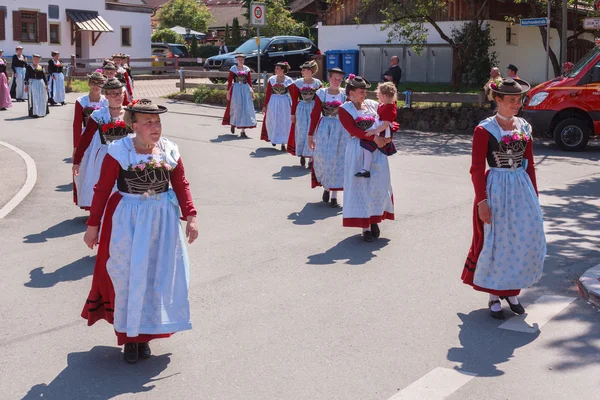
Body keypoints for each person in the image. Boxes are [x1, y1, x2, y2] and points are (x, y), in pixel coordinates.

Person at [81, 99, 198, 363]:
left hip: (162, 222)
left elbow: (181, 183)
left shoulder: (169, 150)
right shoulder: (119, 151)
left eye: (157, 122)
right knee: (128, 277)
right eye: (148, 122)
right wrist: (93, 225)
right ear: (134, 125)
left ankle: (144, 336)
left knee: (156, 276)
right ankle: (129, 339)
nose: (155, 127)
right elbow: (102, 189)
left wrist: (190, 216)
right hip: (127, 221)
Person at [461, 78, 546, 320]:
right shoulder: (485, 129)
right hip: (496, 188)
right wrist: (482, 201)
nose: (516, 104)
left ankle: (513, 293)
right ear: (497, 99)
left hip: (521, 188)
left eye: (519, 100)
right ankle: (494, 295)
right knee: (498, 241)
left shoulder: (524, 127)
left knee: (521, 239)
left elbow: (529, 165)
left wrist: (534, 197)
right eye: (511, 100)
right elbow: (476, 169)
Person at [338, 75, 395, 242]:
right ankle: (366, 226)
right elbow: (353, 130)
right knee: (362, 186)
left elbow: (388, 118)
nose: (364, 94)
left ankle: (375, 218)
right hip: (358, 150)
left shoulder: (373, 105)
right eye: (361, 91)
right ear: (351, 93)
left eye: (365, 91)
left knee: (378, 184)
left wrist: (388, 136)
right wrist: (374, 138)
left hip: (377, 150)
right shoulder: (345, 109)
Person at [73, 78, 133, 197]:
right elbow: (85, 139)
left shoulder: (130, 114)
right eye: (113, 94)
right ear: (106, 96)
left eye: (120, 93)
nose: (118, 96)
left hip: (126, 156)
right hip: (105, 156)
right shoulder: (99, 115)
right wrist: (76, 161)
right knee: (105, 186)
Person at [308, 67, 347, 208]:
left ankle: (335, 196)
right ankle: (326, 187)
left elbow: (351, 113)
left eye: (340, 79)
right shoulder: (321, 93)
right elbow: (315, 114)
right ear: (329, 78)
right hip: (325, 128)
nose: (337, 81)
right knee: (324, 158)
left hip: (340, 129)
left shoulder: (344, 94)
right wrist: (310, 134)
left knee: (337, 159)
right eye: (335, 78)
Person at [72, 72, 108, 209]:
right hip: (87, 137)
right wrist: (76, 146)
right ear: (88, 84)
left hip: (103, 137)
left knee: (100, 169)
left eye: (99, 83)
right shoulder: (81, 101)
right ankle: (89, 201)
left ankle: (102, 203)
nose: (96, 86)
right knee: (87, 170)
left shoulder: (106, 101)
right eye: (93, 83)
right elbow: (76, 125)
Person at [355, 81, 398, 178]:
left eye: (379, 94)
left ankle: (366, 169)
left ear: (385, 95)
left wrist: (374, 132)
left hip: (382, 132)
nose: (377, 95)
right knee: (366, 147)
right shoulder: (384, 105)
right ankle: (366, 169)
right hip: (379, 129)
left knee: (366, 145)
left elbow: (386, 124)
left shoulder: (389, 108)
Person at [288, 60, 322, 167]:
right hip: (302, 107)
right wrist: (292, 113)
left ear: (310, 71)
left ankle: (311, 157)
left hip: (313, 107)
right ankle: (302, 154)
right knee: (302, 130)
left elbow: (319, 99)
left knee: (313, 131)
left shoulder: (317, 83)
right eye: (302, 69)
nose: (302, 71)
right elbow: (294, 99)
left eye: (304, 70)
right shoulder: (298, 83)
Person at [261, 61, 294, 151]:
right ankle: (274, 138)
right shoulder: (272, 79)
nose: (276, 70)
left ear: (283, 70)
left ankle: (283, 142)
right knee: (273, 120)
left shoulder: (288, 80)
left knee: (283, 121)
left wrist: (294, 108)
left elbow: (293, 95)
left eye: (278, 68)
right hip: (273, 101)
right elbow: (268, 94)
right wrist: (265, 106)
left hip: (284, 102)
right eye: (275, 68)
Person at [222, 54, 256, 138]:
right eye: (239, 59)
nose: (241, 61)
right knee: (237, 107)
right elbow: (230, 81)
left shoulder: (247, 69)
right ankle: (233, 123)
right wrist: (228, 92)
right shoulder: (233, 69)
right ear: (236, 60)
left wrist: (252, 92)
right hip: (237, 89)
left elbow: (249, 81)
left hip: (245, 89)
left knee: (245, 109)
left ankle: (243, 131)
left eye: (242, 59)